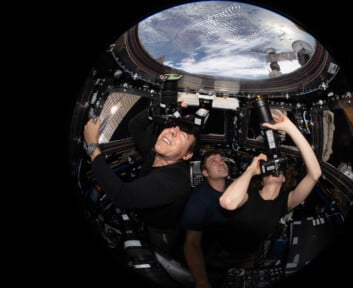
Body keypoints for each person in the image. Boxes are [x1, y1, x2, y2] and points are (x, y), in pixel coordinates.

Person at [83, 106, 199, 256]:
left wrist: (92, 146)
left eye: (181, 136)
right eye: (172, 127)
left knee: (159, 256)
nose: (172, 131)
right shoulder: (155, 151)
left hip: (159, 230)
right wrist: (160, 106)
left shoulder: (176, 180)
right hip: (142, 216)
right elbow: (135, 125)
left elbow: (123, 196)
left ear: (187, 156)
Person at [218, 108, 322, 272]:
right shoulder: (248, 194)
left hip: (248, 259)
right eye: (270, 169)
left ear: (284, 178)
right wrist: (251, 170)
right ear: (262, 177)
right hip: (219, 254)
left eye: (279, 170)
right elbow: (227, 202)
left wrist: (290, 128)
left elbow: (315, 174)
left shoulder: (285, 202)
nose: (274, 171)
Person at [182, 151, 233, 288]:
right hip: (213, 257)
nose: (221, 163)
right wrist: (201, 280)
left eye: (222, 160)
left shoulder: (233, 185)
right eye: (213, 161)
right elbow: (191, 243)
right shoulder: (199, 199)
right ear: (205, 173)